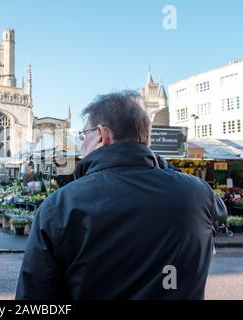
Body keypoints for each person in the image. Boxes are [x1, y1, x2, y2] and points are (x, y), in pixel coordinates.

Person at [16, 91, 227, 300]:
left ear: (101, 134)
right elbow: (219, 213)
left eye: (84, 135)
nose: (82, 144)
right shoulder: (196, 193)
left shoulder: (60, 205)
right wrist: (152, 158)